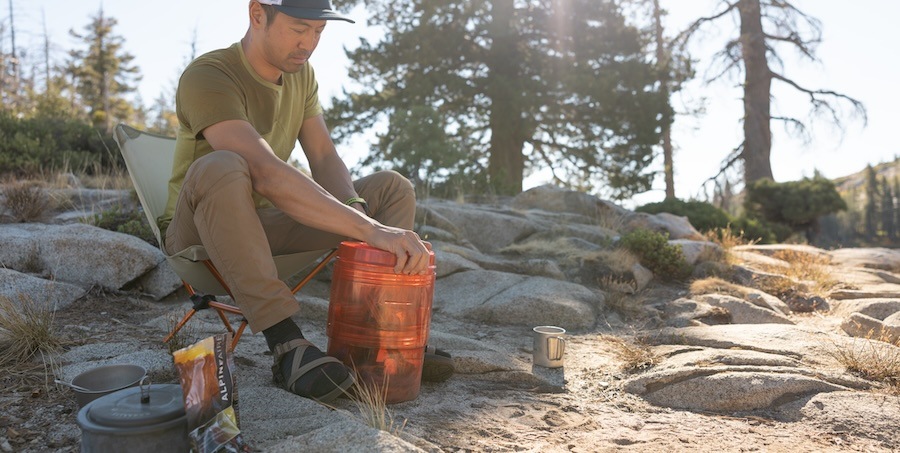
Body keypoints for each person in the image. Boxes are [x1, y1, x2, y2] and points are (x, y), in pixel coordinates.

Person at [159, 0, 452, 404]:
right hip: (200, 233)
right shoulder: (209, 74)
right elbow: (261, 168)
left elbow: (324, 157)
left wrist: (359, 210)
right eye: (299, 28)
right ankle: (286, 346)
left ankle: (376, 339)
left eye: (318, 31)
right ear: (258, 14)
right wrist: (370, 230)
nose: (309, 43)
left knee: (391, 187)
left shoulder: (301, 75)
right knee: (223, 164)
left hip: (263, 227)